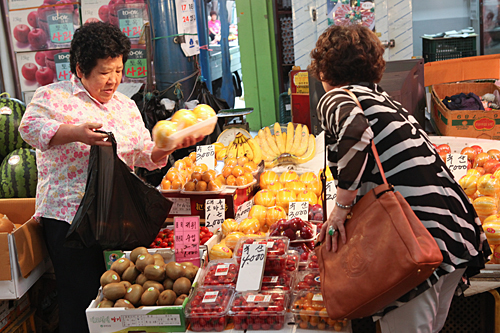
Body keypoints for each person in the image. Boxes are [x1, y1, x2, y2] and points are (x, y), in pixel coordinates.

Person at [19, 22, 203, 333]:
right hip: (68, 218)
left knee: (121, 298)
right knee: (79, 299)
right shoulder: (52, 97)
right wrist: (75, 133)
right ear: (80, 68)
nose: (113, 80)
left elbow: (144, 154)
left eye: (118, 70)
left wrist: (167, 147)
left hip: (117, 217)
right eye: (105, 72)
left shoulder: (126, 106)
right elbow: (29, 129)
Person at [311, 25, 490, 333]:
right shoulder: (386, 101)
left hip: (413, 239)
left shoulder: (337, 97)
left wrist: (341, 208)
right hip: (452, 234)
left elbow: (355, 131)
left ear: (324, 68)